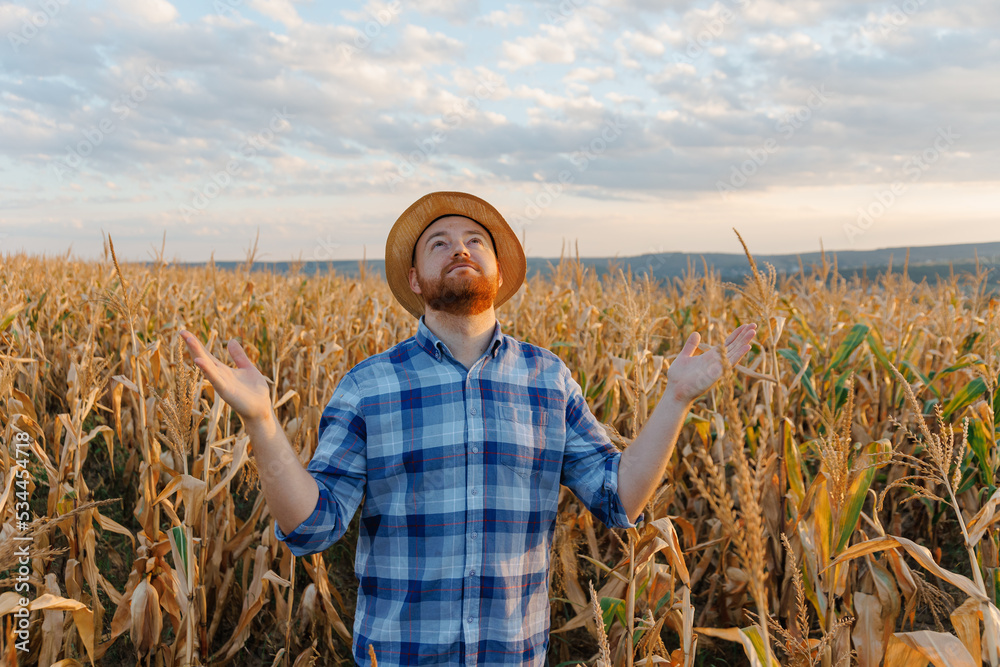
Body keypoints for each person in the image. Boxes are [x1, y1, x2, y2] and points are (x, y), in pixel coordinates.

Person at [179, 191, 757, 666]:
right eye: (439, 244)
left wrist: (677, 398)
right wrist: (260, 421)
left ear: (498, 270)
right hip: (401, 656)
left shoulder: (548, 379)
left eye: (474, 241)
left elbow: (619, 499)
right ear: (416, 277)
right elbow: (313, 526)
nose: (460, 249)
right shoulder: (369, 387)